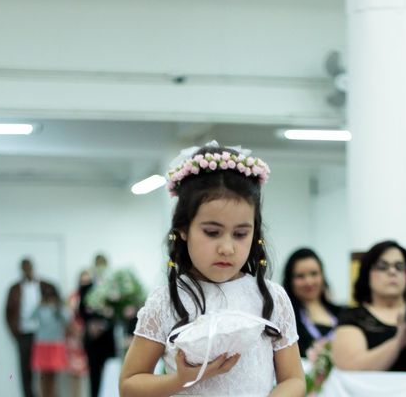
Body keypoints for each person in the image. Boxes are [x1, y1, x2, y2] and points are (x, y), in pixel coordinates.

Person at [119, 142, 305, 396]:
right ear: (183, 229)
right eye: (212, 232)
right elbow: (129, 385)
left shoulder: (272, 298)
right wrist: (181, 379)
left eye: (240, 234)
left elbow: (294, 379)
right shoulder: (165, 301)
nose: (227, 247)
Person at [332, 240, 406, 372]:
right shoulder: (352, 317)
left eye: (399, 266)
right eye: (382, 266)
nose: (392, 272)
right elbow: (350, 369)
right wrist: (399, 341)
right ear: (367, 273)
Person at [5, 258, 57, 397]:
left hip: (44, 334)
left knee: (45, 368)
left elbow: (57, 307)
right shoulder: (15, 289)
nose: (27, 270)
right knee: (25, 370)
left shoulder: (46, 286)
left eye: (29, 267)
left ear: (33, 268)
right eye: (24, 268)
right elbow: (8, 313)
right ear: (21, 269)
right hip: (24, 334)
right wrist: (16, 333)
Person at [282, 247, 343, 358]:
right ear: (290, 281)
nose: (309, 281)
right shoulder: (285, 319)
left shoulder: (343, 313)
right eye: (300, 276)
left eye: (314, 274)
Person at [78, 254, 116, 397]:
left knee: (110, 372)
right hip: (92, 338)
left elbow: (117, 311)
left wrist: (104, 324)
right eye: (98, 265)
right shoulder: (87, 286)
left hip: (107, 337)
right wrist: (92, 324)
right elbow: (81, 310)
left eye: (103, 265)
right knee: (94, 374)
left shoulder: (113, 288)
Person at [31, 285, 70, 397]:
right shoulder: (41, 307)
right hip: (42, 344)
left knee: (53, 376)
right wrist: (39, 305)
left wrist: (59, 307)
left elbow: (67, 319)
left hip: (56, 344)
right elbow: (30, 317)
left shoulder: (59, 308)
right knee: (43, 375)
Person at [66, 270, 90, 397]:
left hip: (88, 338)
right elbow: (67, 318)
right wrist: (77, 332)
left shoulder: (93, 297)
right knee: (74, 373)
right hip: (75, 339)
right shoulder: (73, 297)